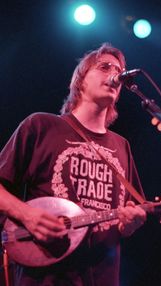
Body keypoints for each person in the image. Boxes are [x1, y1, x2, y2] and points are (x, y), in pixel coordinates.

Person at [0, 43, 146, 286]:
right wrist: (26, 214)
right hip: (44, 277)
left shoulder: (122, 146)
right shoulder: (41, 126)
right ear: (81, 80)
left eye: (120, 70)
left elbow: (126, 220)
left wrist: (130, 225)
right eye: (104, 67)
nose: (115, 75)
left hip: (102, 277)